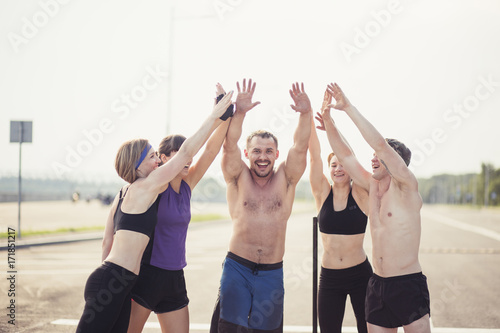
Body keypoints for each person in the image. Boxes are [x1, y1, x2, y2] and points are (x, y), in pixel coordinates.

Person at [76, 91, 234, 333]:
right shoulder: (149, 187)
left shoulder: (129, 192)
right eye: (154, 157)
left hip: (129, 279)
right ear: (138, 164)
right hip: (128, 278)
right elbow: (186, 152)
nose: (159, 163)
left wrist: (225, 117)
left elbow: (107, 242)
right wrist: (215, 115)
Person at [322, 83, 431, 333]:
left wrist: (348, 108)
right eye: (371, 154)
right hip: (377, 284)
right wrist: (328, 120)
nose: (373, 157)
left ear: (397, 162)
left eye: (379, 156)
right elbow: (346, 156)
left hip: (407, 284)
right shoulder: (372, 187)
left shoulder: (406, 187)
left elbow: (381, 145)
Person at [126, 84, 233, 333]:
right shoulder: (154, 187)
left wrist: (227, 113)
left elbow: (210, 150)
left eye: (185, 153)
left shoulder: (187, 185)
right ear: (163, 159)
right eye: (177, 153)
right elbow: (191, 150)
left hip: (175, 278)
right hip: (147, 275)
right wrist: (215, 114)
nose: (187, 158)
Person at [210, 79, 312, 333]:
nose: (263, 157)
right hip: (237, 268)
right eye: (256, 151)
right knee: (229, 329)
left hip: (271, 272)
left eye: (268, 151)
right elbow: (229, 144)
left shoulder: (286, 179)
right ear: (247, 154)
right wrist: (240, 112)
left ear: (277, 154)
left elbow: (300, 146)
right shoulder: (237, 176)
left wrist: (305, 114)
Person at [309, 88, 372, 333]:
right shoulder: (322, 193)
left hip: (361, 276)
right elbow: (314, 156)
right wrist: (309, 117)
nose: (338, 168)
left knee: (367, 329)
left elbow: (349, 156)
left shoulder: (361, 193)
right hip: (330, 278)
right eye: (333, 165)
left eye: (341, 165)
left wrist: (332, 124)